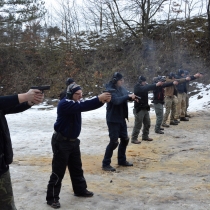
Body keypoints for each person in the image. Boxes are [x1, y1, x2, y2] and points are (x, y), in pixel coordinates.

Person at [46, 83, 111, 209]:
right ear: (70, 94)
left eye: (81, 93)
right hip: (61, 142)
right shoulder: (64, 103)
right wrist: (99, 98)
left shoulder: (75, 103)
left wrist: (102, 101)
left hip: (73, 142)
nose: (80, 96)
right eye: (77, 94)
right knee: (58, 171)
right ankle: (52, 198)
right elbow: (84, 105)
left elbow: (86, 106)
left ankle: (80, 190)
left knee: (76, 168)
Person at [0, 89, 44, 210]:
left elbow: (8, 107)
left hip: (1, 164)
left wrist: (29, 102)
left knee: (7, 205)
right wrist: (24, 96)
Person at [102, 72, 136, 172]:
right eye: (121, 80)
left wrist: (133, 97)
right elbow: (116, 100)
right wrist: (128, 97)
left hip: (121, 118)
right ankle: (106, 164)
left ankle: (122, 160)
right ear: (116, 81)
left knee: (125, 139)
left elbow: (126, 95)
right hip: (113, 119)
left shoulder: (121, 88)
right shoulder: (109, 90)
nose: (123, 81)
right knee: (114, 142)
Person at [131, 76, 163, 144]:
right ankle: (134, 138)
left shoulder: (144, 86)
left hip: (145, 108)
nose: (145, 83)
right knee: (138, 124)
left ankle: (145, 136)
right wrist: (155, 84)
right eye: (144, 81)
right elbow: (145, 88)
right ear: (140, 81)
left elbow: (149, 87)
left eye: (145, 81)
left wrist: (158, 84)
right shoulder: (137, 87)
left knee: (147, 123)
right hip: (139, 109)